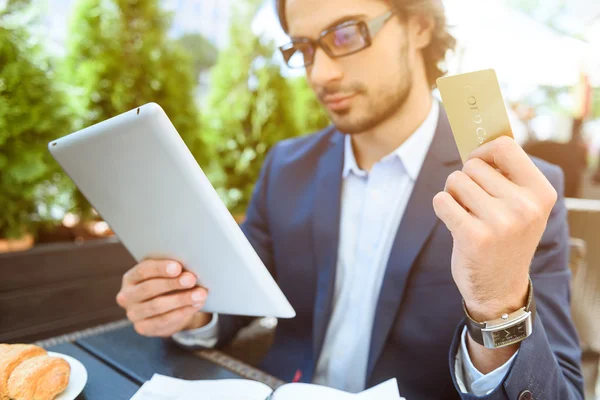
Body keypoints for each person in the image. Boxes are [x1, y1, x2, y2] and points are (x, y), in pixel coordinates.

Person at [115, 0, 584, 398]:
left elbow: (558, 387)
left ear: (419, 26)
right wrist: (187, 306)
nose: (321, 73)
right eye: (304, 48)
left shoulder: (512, 198)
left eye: (345, 35)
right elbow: (237, 299)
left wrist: (498, 304)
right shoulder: (286, 167)